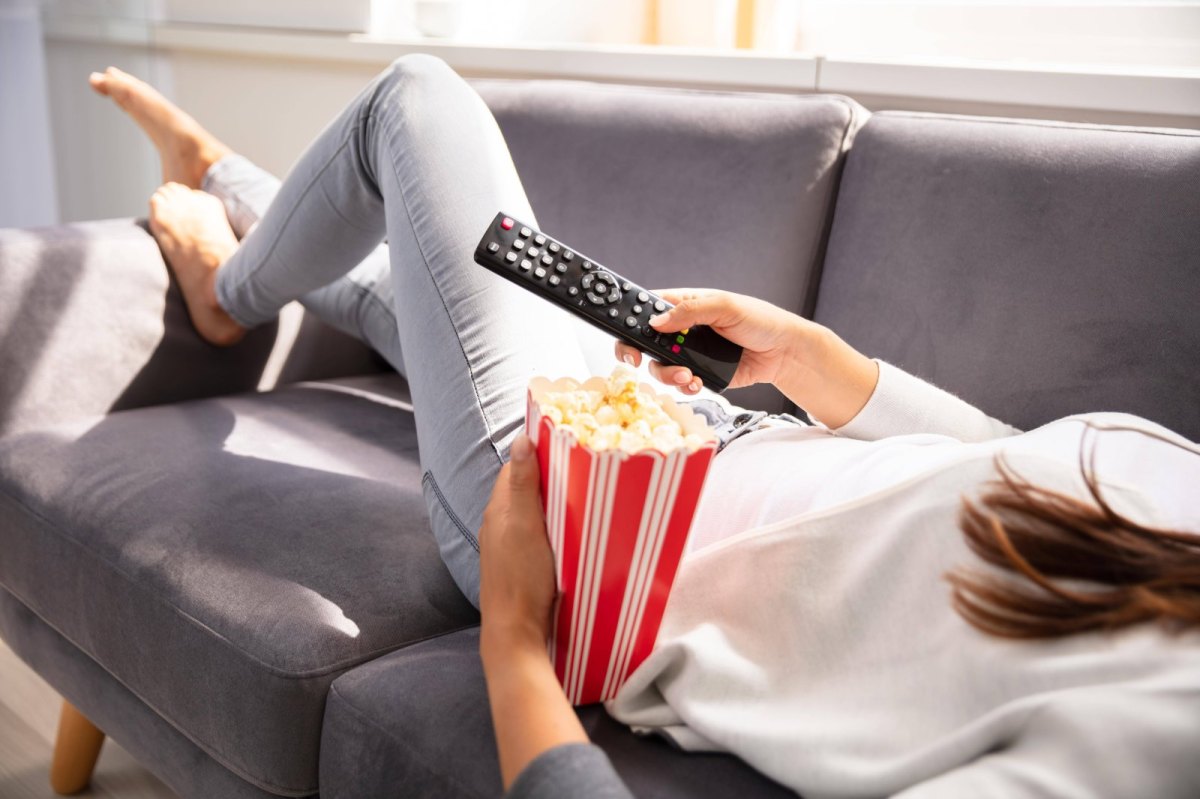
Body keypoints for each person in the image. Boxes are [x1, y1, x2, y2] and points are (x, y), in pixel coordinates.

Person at [89, 57, 1200, 798]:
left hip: (598, 555)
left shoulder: (1150, 738)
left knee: (414, 102)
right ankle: (230, 186)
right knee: (418, 292)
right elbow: (1017, 466)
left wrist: (517, 640)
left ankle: (228, 292)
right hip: (705, 428)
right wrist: (823, 365)